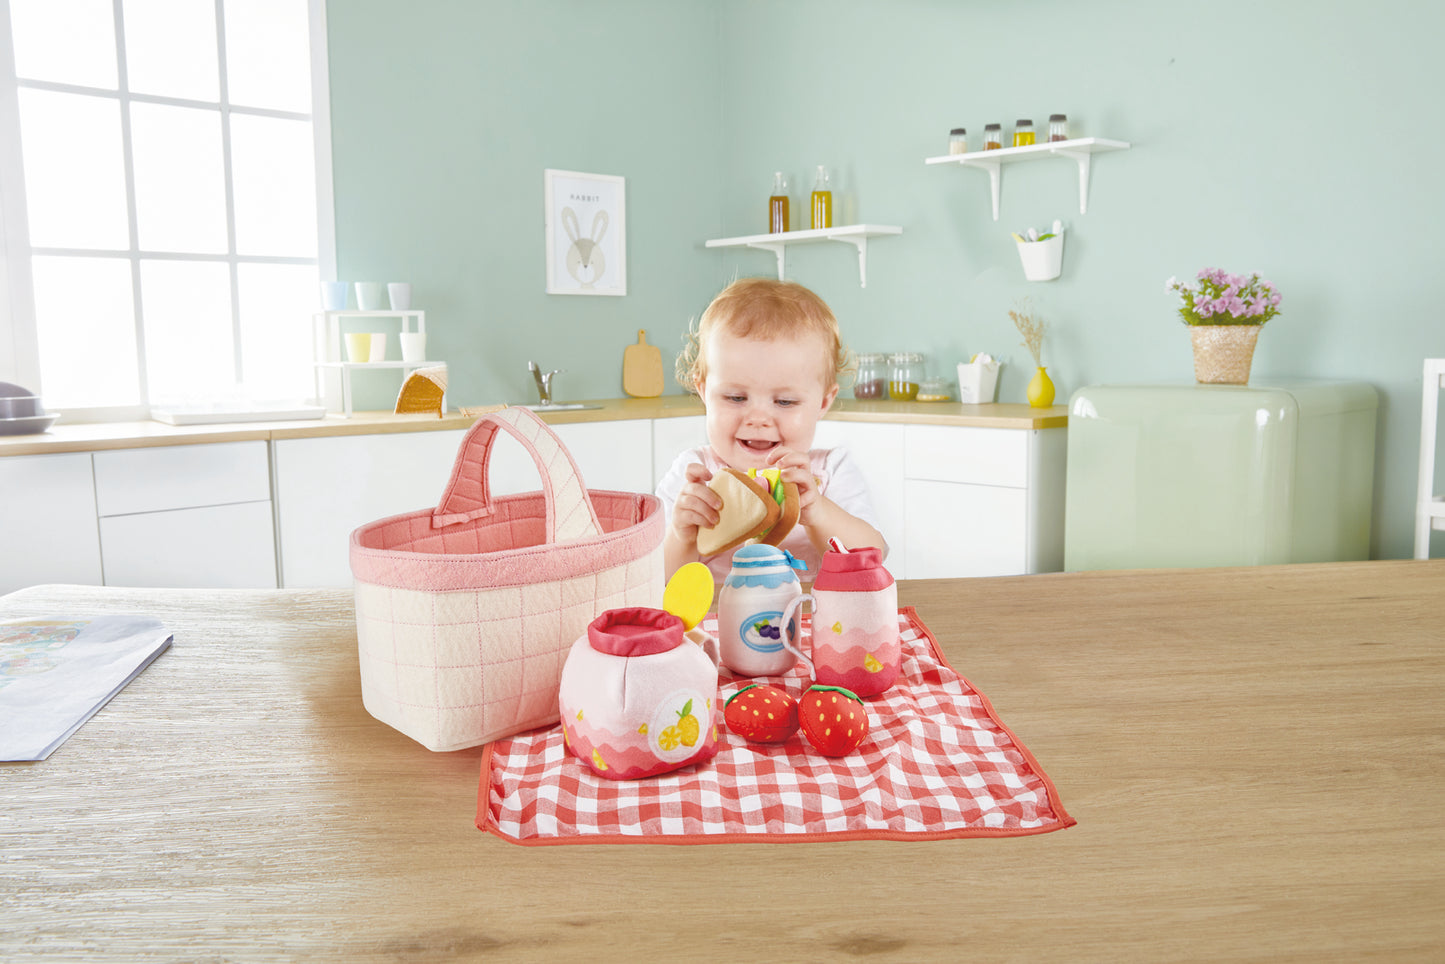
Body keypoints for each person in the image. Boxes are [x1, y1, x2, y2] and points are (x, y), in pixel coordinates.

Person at [657, 277, 886, 585]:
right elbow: (653, 582)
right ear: (703, 390)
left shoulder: (828, 473)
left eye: (785, 401)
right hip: (717, 626)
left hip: (812, 623)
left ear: (823, 402)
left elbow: (874, 557)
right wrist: (681, 536)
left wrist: (819, 513)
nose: (759, 419)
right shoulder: (695, 477)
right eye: (736, 398)